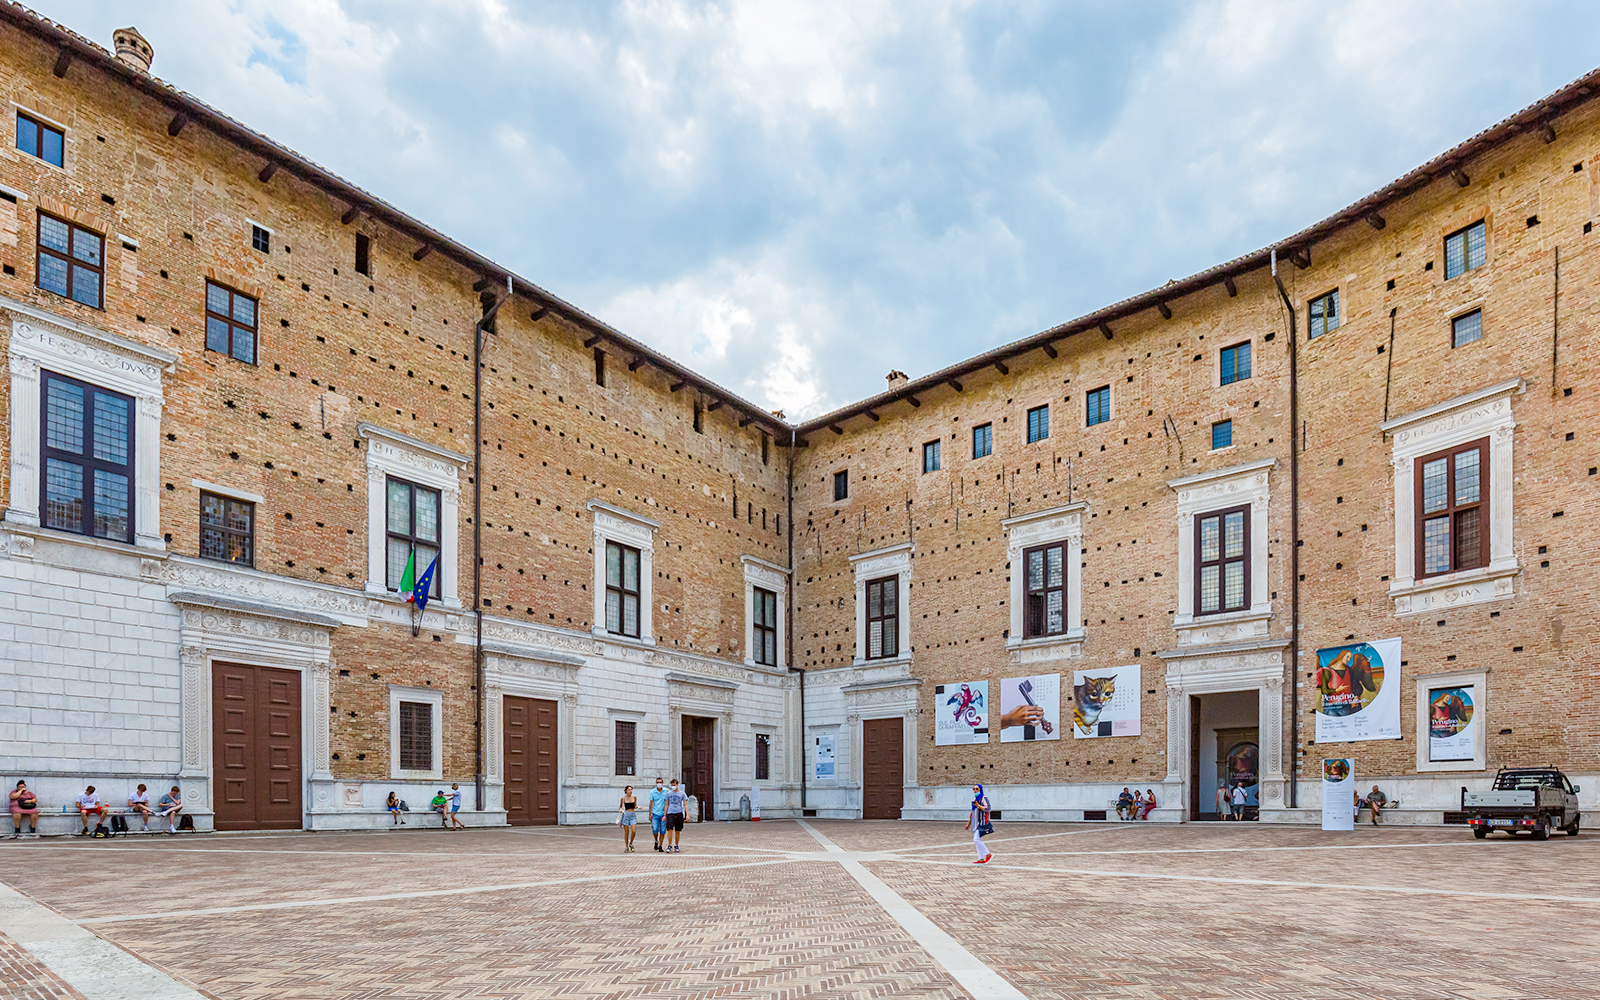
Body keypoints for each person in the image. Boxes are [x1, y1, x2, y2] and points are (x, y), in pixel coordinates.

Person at [965, 783, 993, 864]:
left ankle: (988, 854)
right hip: (976, 823)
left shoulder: (984, 798)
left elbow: (988, 808)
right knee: (978, 840)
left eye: (977, 789)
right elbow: (972, 813)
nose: (975, 790)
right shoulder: (975, 800)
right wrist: (968, 823)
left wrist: (979, 806)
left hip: (982, 822)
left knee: (976, 839)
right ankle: (980, 858)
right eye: (973, 789)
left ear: (980, 789)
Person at [662, 778, 688, 852]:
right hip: (670, 813)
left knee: (677, 830)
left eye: (674, 785)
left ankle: (676, 845)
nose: (673, 786)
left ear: (677, 785)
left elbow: (685, 804)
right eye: (672, 785)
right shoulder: (668, 794)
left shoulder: (682, 794)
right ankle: (669, 844)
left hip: (679, 812)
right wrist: (664, 814)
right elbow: (666, 804)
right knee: (670, 829)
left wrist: (687, 815)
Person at [649, 777, 669, 852]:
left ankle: (660, 845)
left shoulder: (666, 791)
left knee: (663, 831)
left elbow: (667, 802)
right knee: (655, 829)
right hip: (655, 813)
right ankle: (656, 840)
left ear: (663, 783)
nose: (659, 784)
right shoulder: (652, 792)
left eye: (660, 782)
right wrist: (650, 813)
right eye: (658, 782)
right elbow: (651, 803)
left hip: (663, 813)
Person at [618, 785, 638, 852]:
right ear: (626, 791)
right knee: (626, 832)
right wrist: (620, 810)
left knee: (634, 831)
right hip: (626, 814)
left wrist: (638, 807)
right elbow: (620, 806)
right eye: (629, 790)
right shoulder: (623, 798)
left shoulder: (634, 797)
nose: (630, 791)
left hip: (632, 814)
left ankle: (631, 843)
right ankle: (626, 846)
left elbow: (635, 806)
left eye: (631, 789)